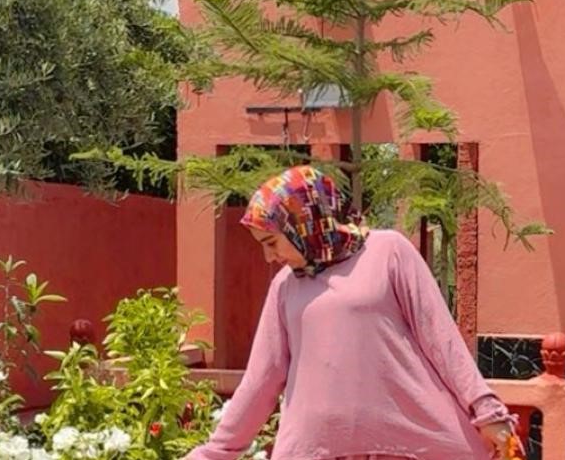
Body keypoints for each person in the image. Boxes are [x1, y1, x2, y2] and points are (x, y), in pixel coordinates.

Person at [186, 165, 521, 460]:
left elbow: (440, 337)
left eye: (272, 243)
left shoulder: (389, 251)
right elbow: (261, 380)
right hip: (315, 449)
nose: (268, 258)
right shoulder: (286, 288)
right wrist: (212, 454)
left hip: (406, 444)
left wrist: (485, 408)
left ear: (304, 222)